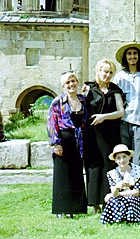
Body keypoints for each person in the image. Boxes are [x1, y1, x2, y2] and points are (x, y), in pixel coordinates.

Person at [83, 59, 125, 214]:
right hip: (91, 134)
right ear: (98, 71)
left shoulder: (115, 90)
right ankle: (94, 203)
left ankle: (108, 201)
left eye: (110, 72)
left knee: (108, 166)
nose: (107, 75)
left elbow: (121, 112)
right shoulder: (89, 89)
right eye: (104, 71)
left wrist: (104, 117)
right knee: (93, 166)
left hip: (109, 134)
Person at [47, 71, 88, 218]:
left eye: (73, 81)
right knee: (62, 177)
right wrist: (55, 143)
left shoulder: (83, 100)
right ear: (63, 86)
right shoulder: (57, 102)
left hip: (79, 143)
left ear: (77, 82)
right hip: (63, 143)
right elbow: (51, 124)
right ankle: (61, 209)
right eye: (67, 83)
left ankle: (75, 208)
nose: (71, 85)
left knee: (76, 174)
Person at [113, 42, 140, 168]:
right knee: (123, 159)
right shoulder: (120, 77)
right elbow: (109, 92)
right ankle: (125, 187)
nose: (132, 56)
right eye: (129, 54)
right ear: (125, 57)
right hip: (123, 122)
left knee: (139, 160)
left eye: (135, 53)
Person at [100, 144, 140, 224]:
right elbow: (114, 193)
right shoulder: (112, 174)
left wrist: (117, 194)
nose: (122, 160)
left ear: (129, 157)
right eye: (118, 158)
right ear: (115, 160)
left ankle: (131, 219)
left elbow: (136, 192)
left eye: (124, 156)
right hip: (120, 197)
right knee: (112, 201)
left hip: (137, 198)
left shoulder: (138, 171)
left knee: (130, 200)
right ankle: (117, 219)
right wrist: (117, 187)